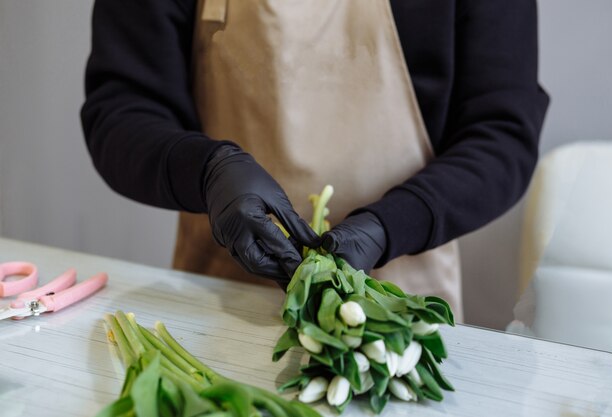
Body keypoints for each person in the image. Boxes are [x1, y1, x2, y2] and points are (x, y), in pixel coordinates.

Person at [81, 0, 549, 320]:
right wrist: (207, 171)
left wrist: (392, 224)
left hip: (397, 311)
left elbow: (500, 133)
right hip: (219, 298)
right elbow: (121, 110)